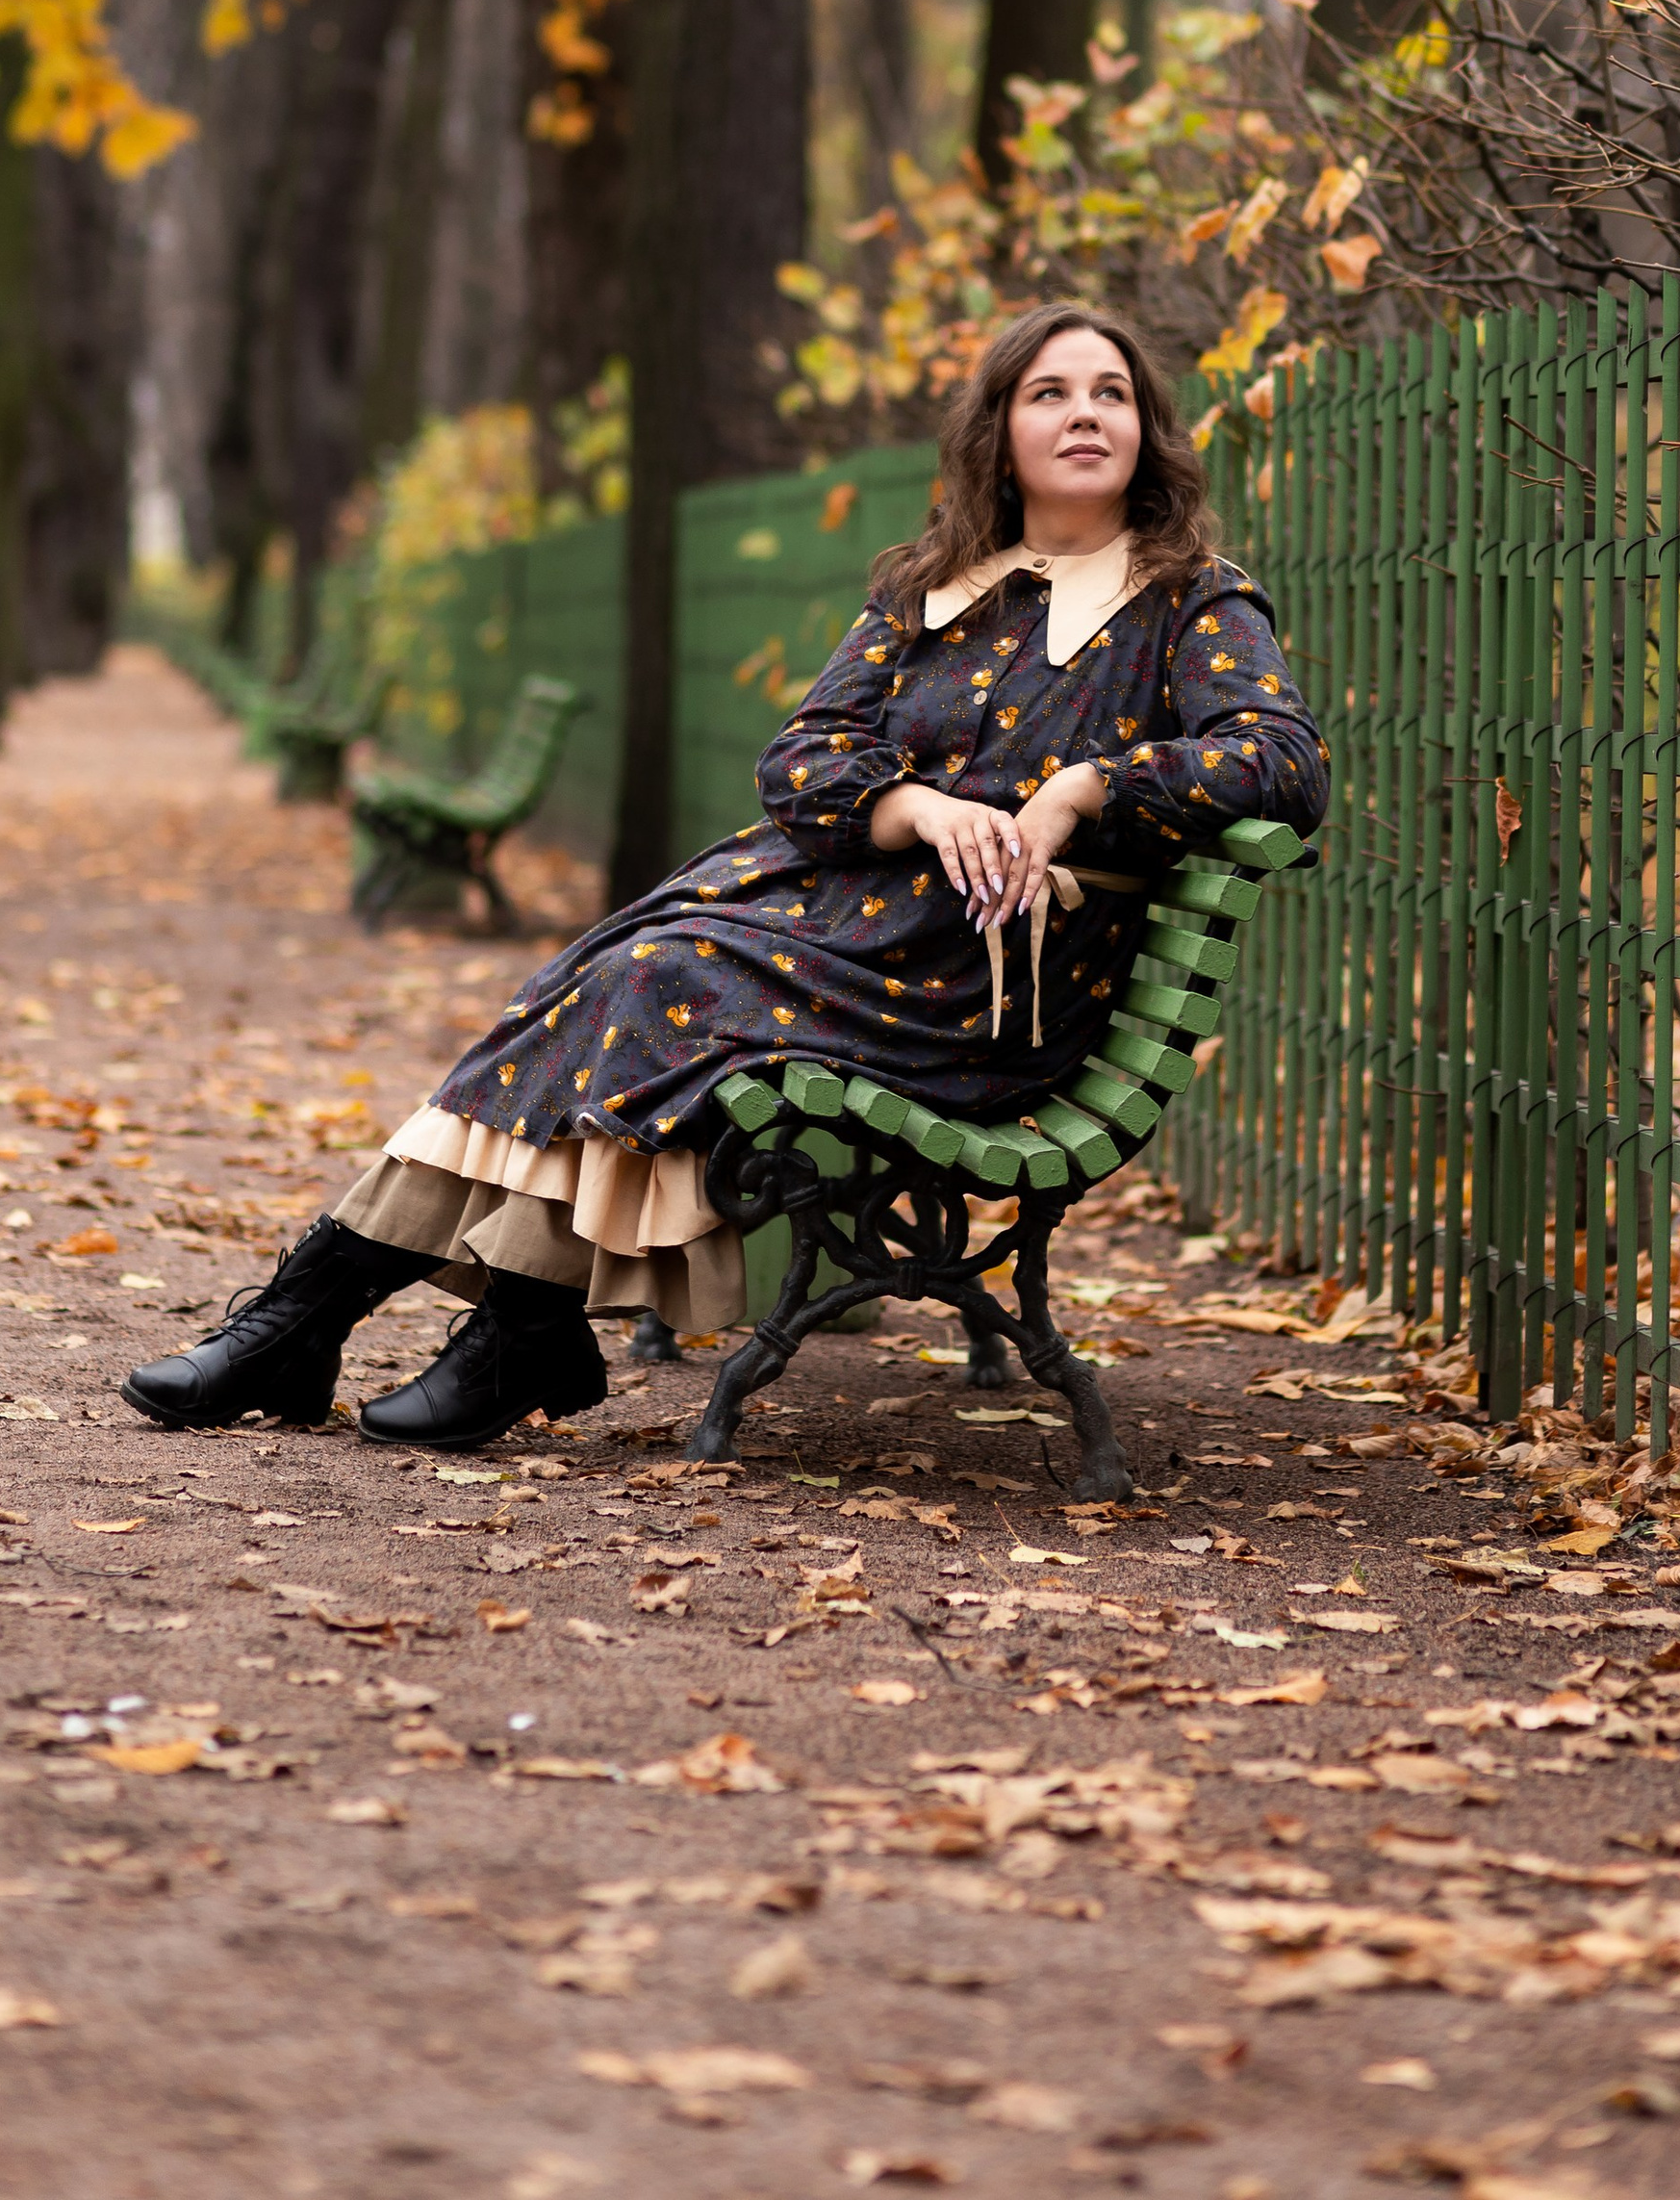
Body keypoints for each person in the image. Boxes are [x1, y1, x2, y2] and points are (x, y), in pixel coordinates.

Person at [124, 300, 1330, 1450]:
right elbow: (802, 759)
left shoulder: (1188, 601)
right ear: (998, 433)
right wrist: (912, 804)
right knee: (595, 980)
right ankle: (367, 1322)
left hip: (971, 997)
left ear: (1145, 430)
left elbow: (1280, 762)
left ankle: (400, 1326)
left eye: (1110, 393)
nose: (1084, 414)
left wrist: (1084, 790)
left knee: (652, 978)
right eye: (1049, 392)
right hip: (837, 940)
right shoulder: (924, 588)